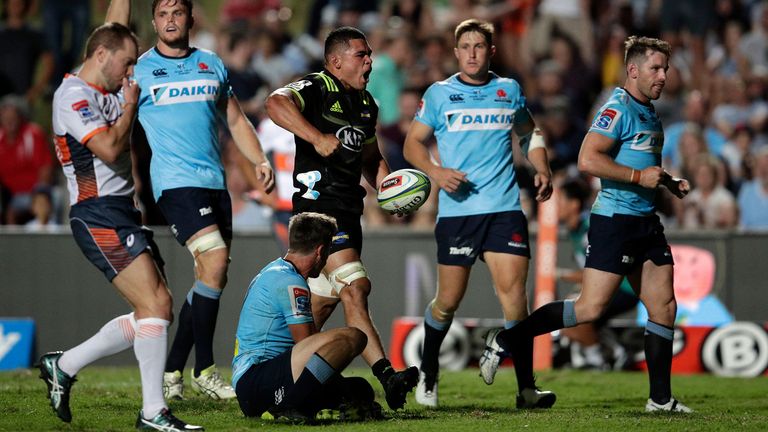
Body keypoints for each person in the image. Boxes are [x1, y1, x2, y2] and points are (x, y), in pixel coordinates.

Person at [490, 36, 693, 413]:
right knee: (588, 309)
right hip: (615, 221)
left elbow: (640, 163)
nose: (664, 75)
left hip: (646, 221)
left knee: (664, 305)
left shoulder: (649, 110)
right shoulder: (616, 108)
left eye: (665, 68)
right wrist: (637, 178)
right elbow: (588, 159)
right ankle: (507, 338)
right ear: (633, 70)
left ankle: (660, 400)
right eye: (656, 68)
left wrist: (666, 182)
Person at [38, 2, 202, 430]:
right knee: (158, 304)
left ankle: (65, 364)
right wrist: (129, 105)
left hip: (122, 211)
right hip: (96, 214)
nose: (131, 72)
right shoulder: (72, 96)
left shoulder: (106, 78)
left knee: (153, 312)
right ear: (100, 56)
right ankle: (152, 411)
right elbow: (110, 149)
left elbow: (116, 26)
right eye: (127, 63)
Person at [402, 19, 556, 409]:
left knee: (515, 303)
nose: (472, 53)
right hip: (458, 215)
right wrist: (435, 171)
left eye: (479, 46)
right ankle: (430, 371)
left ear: (491, 51)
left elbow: (529, 132)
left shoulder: (509, 90)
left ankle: (525, 389)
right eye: (465, 46)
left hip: (504, 208)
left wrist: (541, 167)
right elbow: (412, 144)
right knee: (447, 302)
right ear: (456, 53)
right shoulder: (439, 95)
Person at [126, 0, 275, 400]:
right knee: (215, 260)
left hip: (214, 182)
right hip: (174, 184)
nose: (170, 20)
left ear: (191, 19)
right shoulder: (138, 69)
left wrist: (258, 158)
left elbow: (234, 118)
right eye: (163, 14)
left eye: (178, 13)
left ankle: (172, 370)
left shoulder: (211, 63)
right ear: (154, 21)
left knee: (212, 275)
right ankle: (204, 368)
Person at [264, 26, 419, 411]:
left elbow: (371, 157)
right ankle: (388, 375)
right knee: (356, 286)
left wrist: (388, 190)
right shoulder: (316, 87)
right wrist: (316, 138)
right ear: (335, 62)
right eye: (361, 54)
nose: (369, 61)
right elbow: (274, 103)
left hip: (349, 212)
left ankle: (280, 380)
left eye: (369, 54)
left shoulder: (367, 103)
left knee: (316, 315)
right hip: (316, 213)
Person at [232, 212, 382, 423]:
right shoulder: (292, 282)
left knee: (360, 390)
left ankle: (307, 404)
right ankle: (290, 405)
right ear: (321, 251)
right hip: (259, 379)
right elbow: (307, 344)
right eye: (329, 250)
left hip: (255, 381)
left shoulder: (273, 270)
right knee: (354, 337)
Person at [555, 178, 638, 370]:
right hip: (610, 285)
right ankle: (617, 352)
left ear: (574, 204)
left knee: (576, 311)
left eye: (560, 200)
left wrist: (560, 275)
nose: (555, 206)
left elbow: (601, 268)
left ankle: (596, 360)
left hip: (623, 286)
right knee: (569, 317)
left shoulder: (589, 228)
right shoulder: (575, 230)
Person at [0, 94, 54, 225]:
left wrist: (40, 194)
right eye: (6, 118)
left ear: (21, 118)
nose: (9, 122)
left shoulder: (33, 134)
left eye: (13, 118)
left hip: (32, 193)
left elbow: (45, 168)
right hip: (6, 195)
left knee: (18, 208)